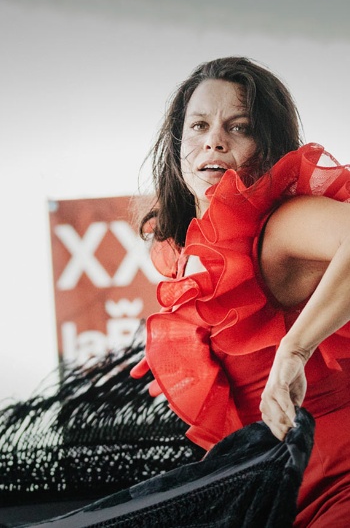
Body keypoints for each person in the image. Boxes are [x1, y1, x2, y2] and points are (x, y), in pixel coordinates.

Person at [129, 56, 350, 526]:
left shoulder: (282, 226)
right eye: (199, 126)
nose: (214, 139)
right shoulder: (191, 249)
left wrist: (293, 350)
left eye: (239, 126)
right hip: (278, 493)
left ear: (266, 146)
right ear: (177, 145)